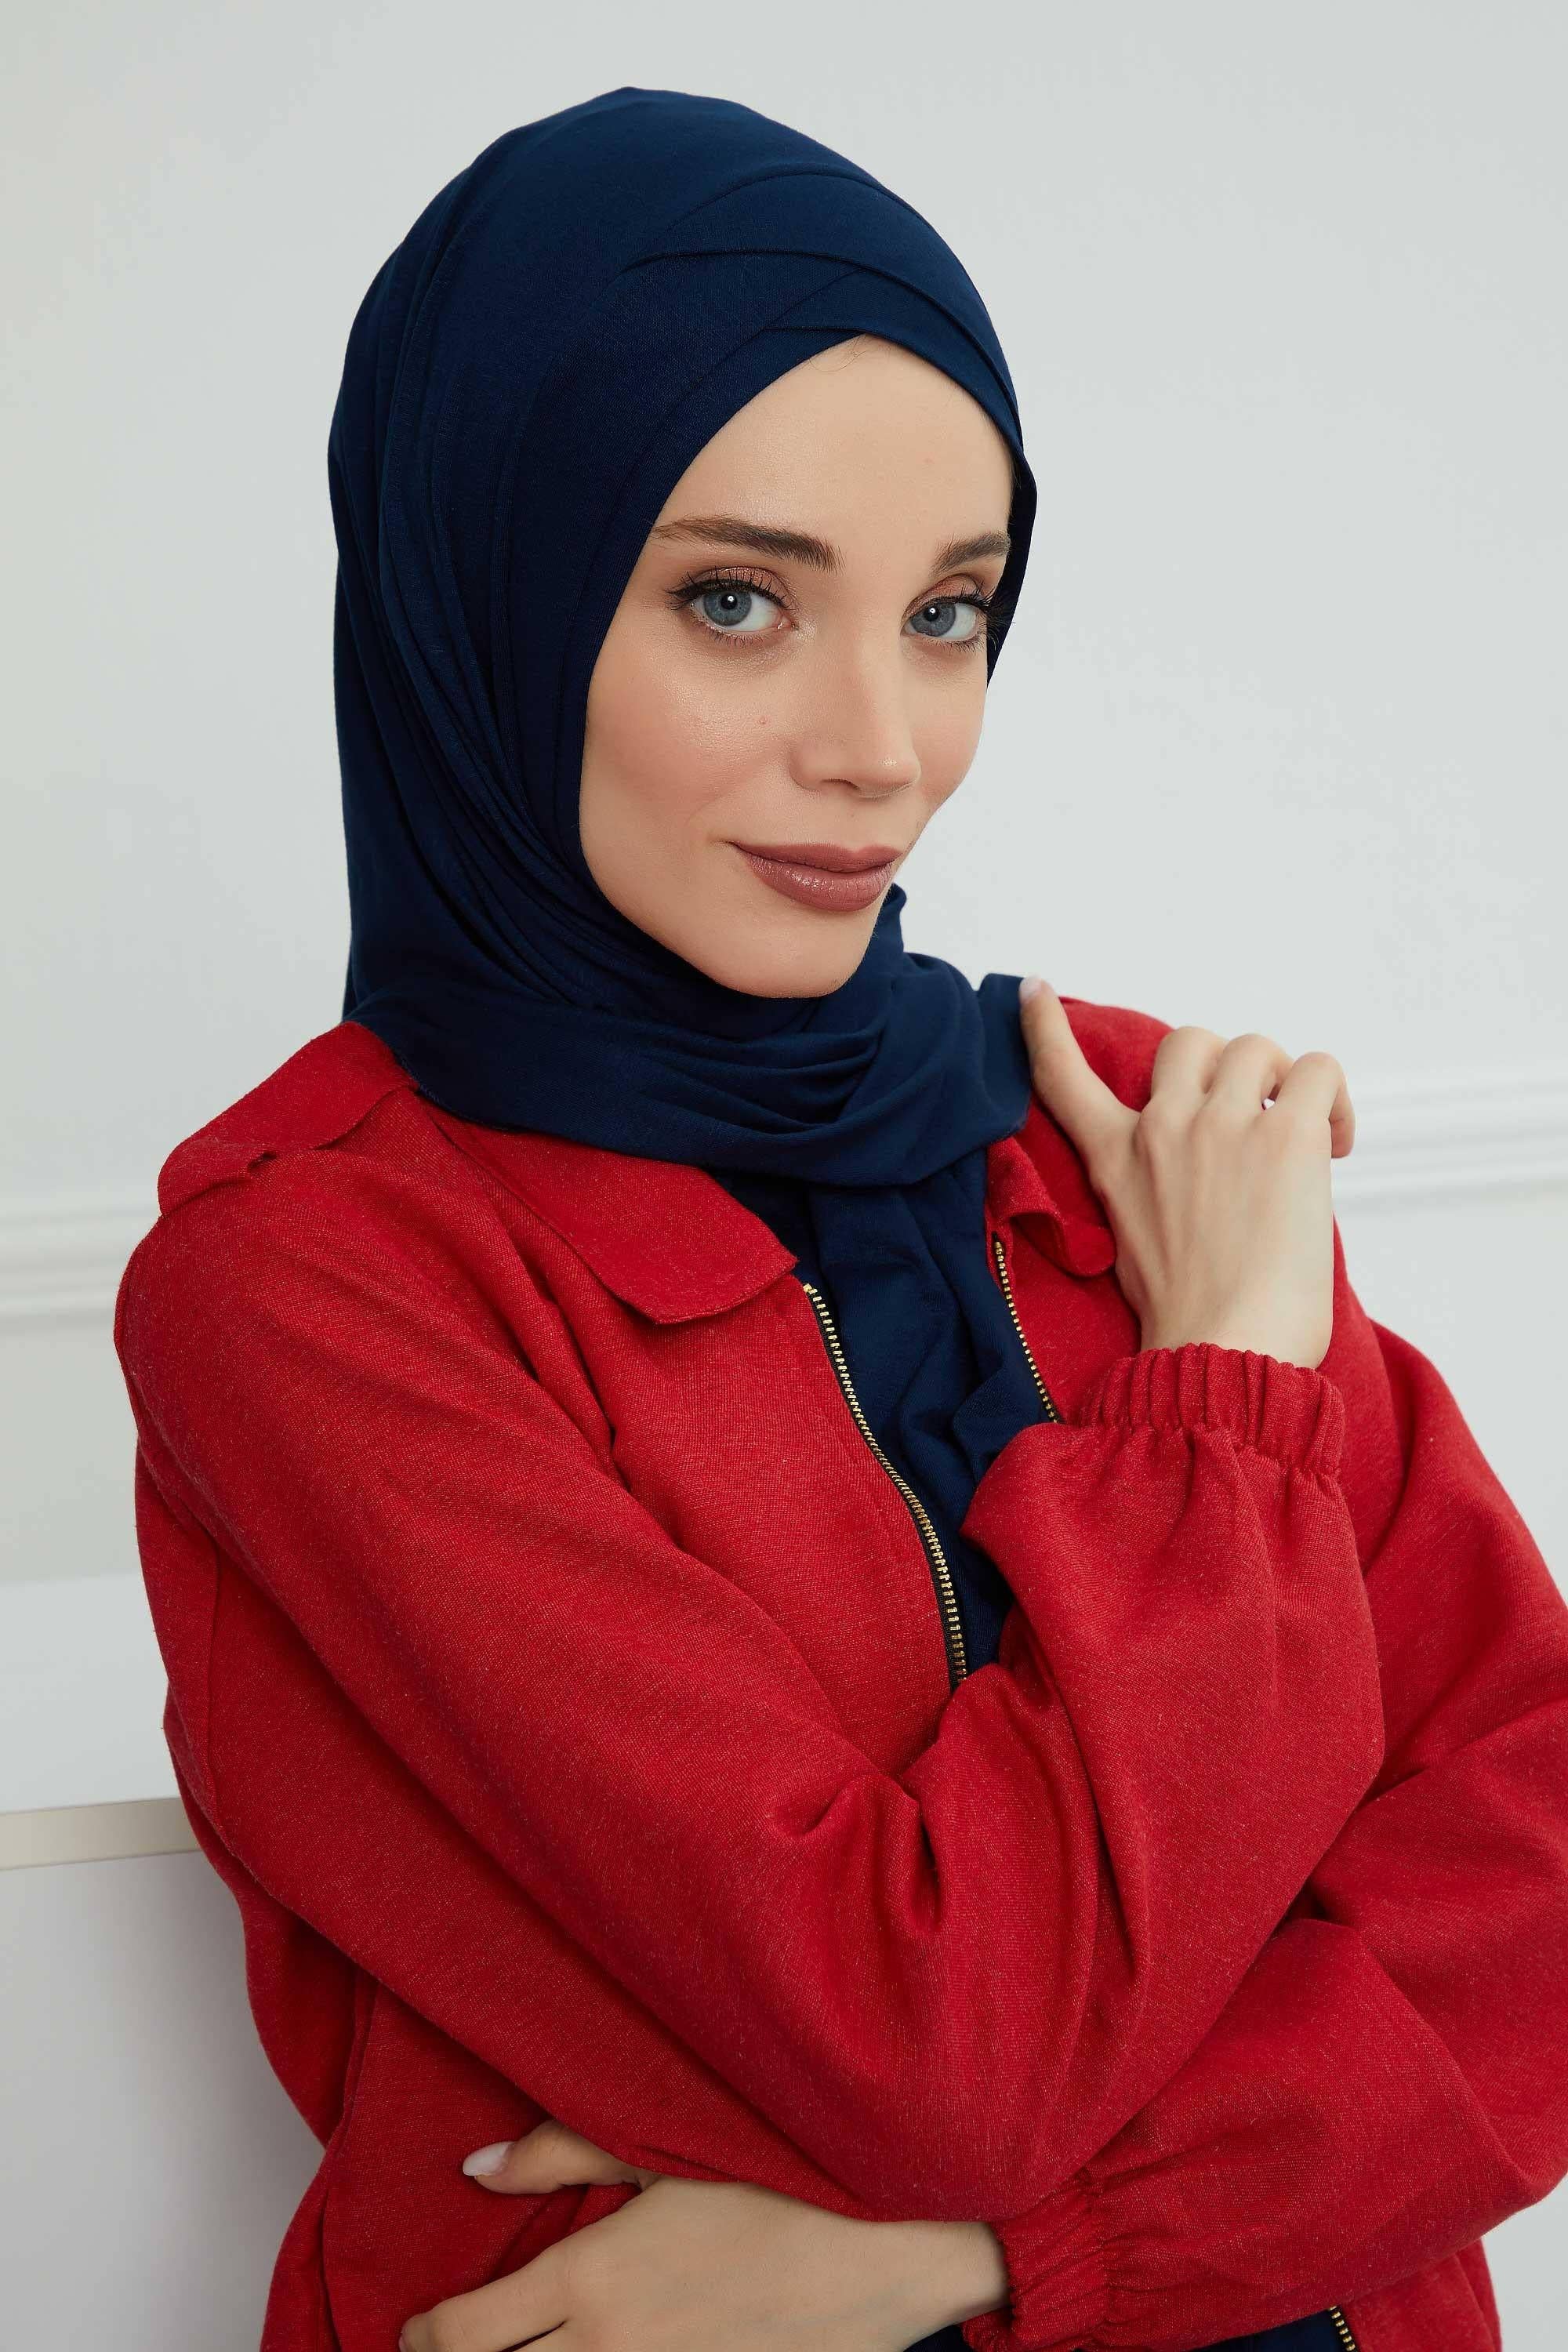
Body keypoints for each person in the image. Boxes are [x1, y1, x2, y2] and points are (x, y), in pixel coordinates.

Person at [112, 86, 1568, 2352]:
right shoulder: (312, 1285)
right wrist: (1221, 1408)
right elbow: (936, 2045)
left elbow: (1537, 1893)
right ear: (482, 598)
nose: (885, 745)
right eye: (736, 601)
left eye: (952, 613)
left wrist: (993, 2251)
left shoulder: (1130, 1138)